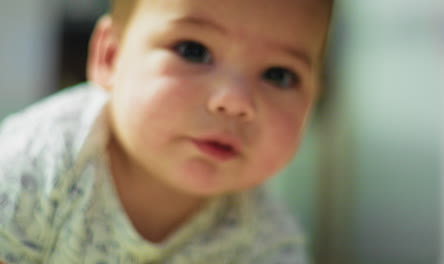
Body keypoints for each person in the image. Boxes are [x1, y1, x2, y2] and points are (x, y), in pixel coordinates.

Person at [0, 0, 332, 262]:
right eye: (193, 51)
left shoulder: (266, 237)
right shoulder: (33, 167)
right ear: (111, 57)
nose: (235, 101)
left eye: (278, 75)